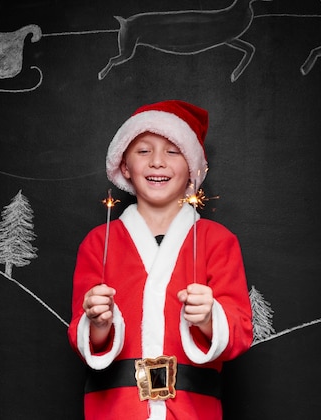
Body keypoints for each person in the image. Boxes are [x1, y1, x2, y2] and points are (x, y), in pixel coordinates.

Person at [67, 100, 254, 420]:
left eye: (172, 151)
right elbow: (81, 335)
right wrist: (98, 324)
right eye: (143, 151)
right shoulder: (99, 243)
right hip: (116, 411)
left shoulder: (218, 241)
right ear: (124, 166)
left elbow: (240, 331)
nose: (157, 162)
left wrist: (209, 318)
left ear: (193, 169)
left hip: (193, 411)